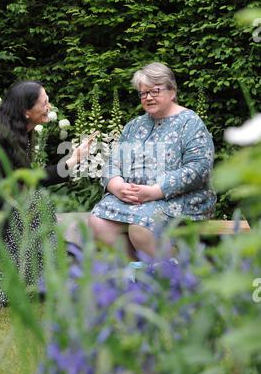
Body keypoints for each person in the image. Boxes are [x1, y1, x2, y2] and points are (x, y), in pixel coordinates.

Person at [0, 80, 90, 310]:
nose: (49, 107)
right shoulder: (0, 137)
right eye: (44, 103)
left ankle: (41, 281)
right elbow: (29, 180)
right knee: (35, 205)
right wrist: (72, 161)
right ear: (26, 111)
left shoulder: (17, 133)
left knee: (36, 205)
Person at [89, 62, 217, 257]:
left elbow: (199, 168)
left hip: (179, 197)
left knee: (141, 226)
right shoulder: (134, 125)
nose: (148, 97)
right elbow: (113, 163)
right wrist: (118, 187)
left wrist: (155, 191)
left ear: (172, 91)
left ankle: (178, 277)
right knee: (98, 221)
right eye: (143, 93)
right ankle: (135, 276)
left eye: (155, 91)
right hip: (135, 198)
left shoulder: (190, 123)